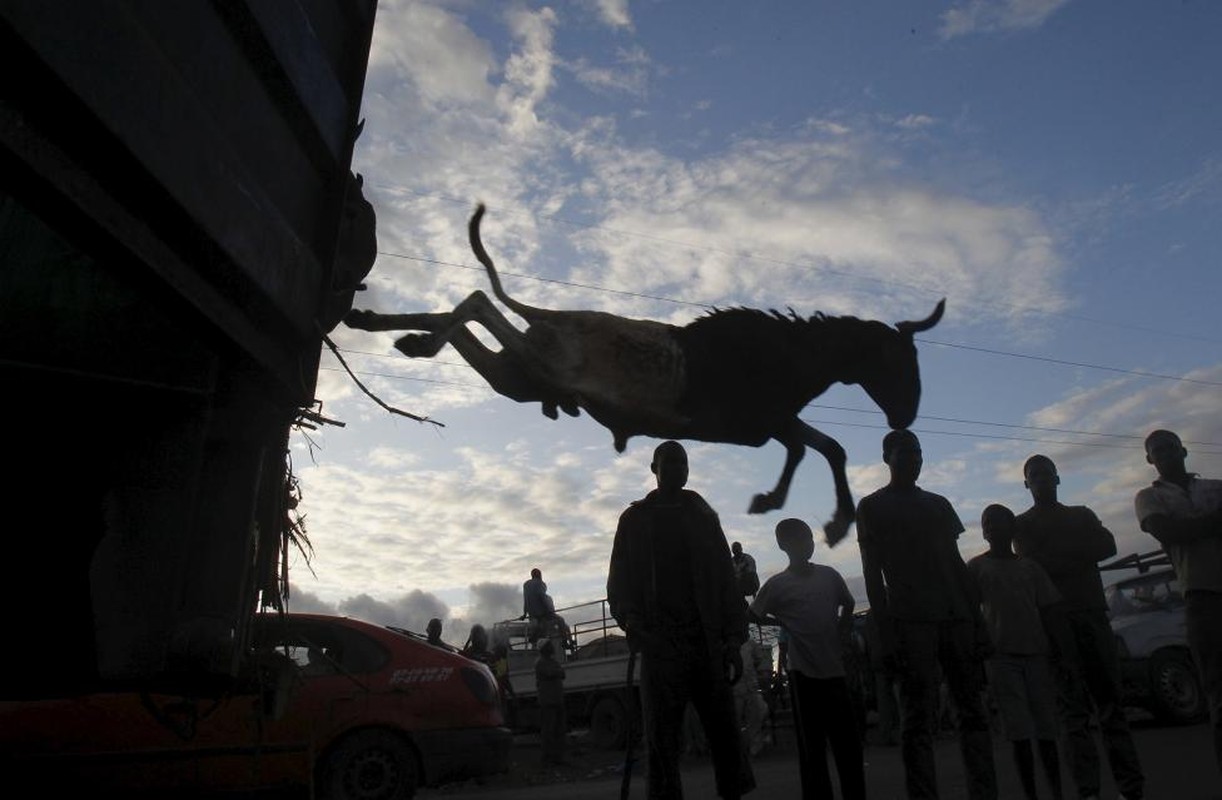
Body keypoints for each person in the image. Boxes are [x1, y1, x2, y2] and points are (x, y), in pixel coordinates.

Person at [607, 440, 754, 799]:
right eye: (668, 462)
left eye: (682, 463)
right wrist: (633, 621)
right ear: (654, 469)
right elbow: (620, 582)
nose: (676, 469)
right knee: (661, 742)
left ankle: (733, 792)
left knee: (725, 735)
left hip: (706, 642)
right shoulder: (634, 520)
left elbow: (724, 580)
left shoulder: (703, 516)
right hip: (660, 646)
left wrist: (734, 639)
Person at [856, 429, 997, 800]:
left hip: (956, 616)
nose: (915, 459)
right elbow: (872, 573)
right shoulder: (872, 506)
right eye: (906, 453)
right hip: (911, 620)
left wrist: (977, 619)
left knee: (973, 713)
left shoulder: (938, 504)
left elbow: (954, 562)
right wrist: (884, 633)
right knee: (918, 719)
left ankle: (984, 791)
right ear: (887, 456)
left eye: (919, 453)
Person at [1015, 454, 1145, 800]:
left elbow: (1107, 545)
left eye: (1047, 474)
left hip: (1091, 615)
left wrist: (1060, 557)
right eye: (1035, 475)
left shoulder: (1081, 514)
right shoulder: (1022, 525)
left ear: (1058, 478)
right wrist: (1079, 554)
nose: (1042, 480)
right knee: (1072, 712)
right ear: (1027, 484)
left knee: (1110, 704)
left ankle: (1130, 788)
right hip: (1056, 625)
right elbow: (1034, 562)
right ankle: (1088, 791)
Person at [751, 517, 865, 800]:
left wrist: (843, 629)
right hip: (803, 677)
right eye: (799, 540)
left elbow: (848, 603)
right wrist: (782, 622)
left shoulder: (829, 576)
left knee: (848, 747)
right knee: (811, 750)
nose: (807, 545)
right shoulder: (778, 585)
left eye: (809, 539)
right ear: (783, 545)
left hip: (835, 672)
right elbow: (751, 615)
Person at [1134, 430, 1222, 780]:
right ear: (1149, 460)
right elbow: (1168, 533)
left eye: (1171, 447)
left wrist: (1193, 527)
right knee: (1219, 694)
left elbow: (1180, 530)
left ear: (1184, 450)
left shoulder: (1213, 488)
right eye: (1159, 450)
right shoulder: (1149, 497)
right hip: (1201, 595)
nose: (1167, 454)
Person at [968, 504, 1064, 800]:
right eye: (987, 523)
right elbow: (972, 613)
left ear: (1011, 529)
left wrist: (1059, 651)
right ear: (984, 532)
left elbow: (1049, 609)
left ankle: (1056, 792)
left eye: (998, 522)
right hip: (1002, 656)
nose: (992, 528)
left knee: (1046, 730)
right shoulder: (976, 568)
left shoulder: (1029, 567)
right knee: (1019, 733)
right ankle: (1031, 793)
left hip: (1036, 652)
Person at [535, 639, 567, 765]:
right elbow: (551, 673)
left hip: (557, 700)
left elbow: (562, 674)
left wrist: (557, 672)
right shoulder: (540, 663)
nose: (552, 647)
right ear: (543, 649)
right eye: (549, 646)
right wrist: (557, 672)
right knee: (549, 730)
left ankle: (557, 757)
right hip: (548, 702)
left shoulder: (553, 662)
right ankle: (547, 758)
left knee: (559, 730)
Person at [522, 568, 573, 648]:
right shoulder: (541, 583)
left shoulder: (526, 585)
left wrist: (524, 614)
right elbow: (541, 597)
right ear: (539, 575)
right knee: (561, 620)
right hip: (543, 614)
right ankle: (565, 642)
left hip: (532, 615)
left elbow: (525, 600)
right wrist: (549, 611)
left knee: (539, 625)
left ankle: (534, 636)